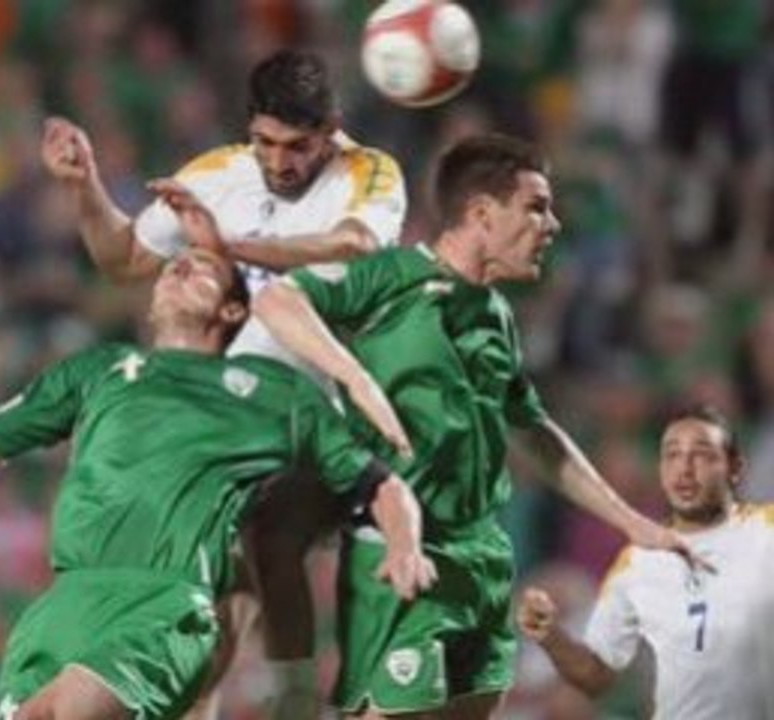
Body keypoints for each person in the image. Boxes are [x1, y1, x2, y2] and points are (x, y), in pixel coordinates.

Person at [0, 246, 437, 720]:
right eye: (173, 265)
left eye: (200, 270)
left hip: (164, 604)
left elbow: (379, 483)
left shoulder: (273, 394)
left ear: (233, 312)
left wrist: (405, 545)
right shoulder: (99, 371)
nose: (178, 268)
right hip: (63, 604)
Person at [251, 133, 700, 719]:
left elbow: (533, 432)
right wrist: (355, 378)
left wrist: (632, 522)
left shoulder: (497, 315)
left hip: (482, 558)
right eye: (536, 207)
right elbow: (278, 300)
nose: (553, 224)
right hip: (404, 554)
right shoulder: (391, 276)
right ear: (482, 214)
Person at [41, 48, 409, 716]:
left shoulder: (368, 172)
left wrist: (222, 246)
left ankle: (296, 699)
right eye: (265, 142)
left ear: (331, 131)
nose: (279, 162)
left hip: (321, 413)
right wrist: (85, 185)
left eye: (297, 146)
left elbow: (354, 244)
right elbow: (123, 259)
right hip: (216, 421)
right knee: (195, 597)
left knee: (269, 533)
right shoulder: (220, 173)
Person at [518, 405, 774, 719]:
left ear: (735, 468)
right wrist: (552, 636)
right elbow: (595, 674)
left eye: (702, 455)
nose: (685, 468)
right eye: (673, 456)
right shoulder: (636, 564)